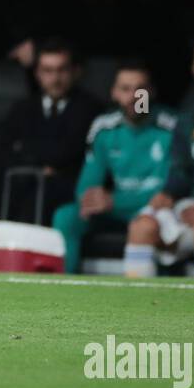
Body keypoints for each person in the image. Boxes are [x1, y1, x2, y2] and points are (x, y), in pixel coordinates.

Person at [124, 34, 194, 279]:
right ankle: (132, 313)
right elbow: (180, 170)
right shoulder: (187, 117)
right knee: (142, 226)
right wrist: (169, 194)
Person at [51, 61, 176, 274]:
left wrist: (114, 201)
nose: (134, 97)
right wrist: (91, 199)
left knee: (158, 221)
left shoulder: (171, 127)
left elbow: (170, 190)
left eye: (140, 89)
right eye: (125, 89)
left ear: (151, 92)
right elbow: (86, 186)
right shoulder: (104, 128)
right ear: (114, 93)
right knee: (66, 216)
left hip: (151, 210)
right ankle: (65, 288)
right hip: (115, 211)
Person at [0, 37, 101, 222]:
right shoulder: (22, 109)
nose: (55, 78)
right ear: (37, 73)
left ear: (75, 72)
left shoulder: (90, 109)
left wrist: (26, 151)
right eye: (48, 71)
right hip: (22, 185)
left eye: (62, 70)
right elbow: (0, 153)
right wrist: (38, 167)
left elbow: (69, 152)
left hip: (67, 188)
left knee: (41, 196)